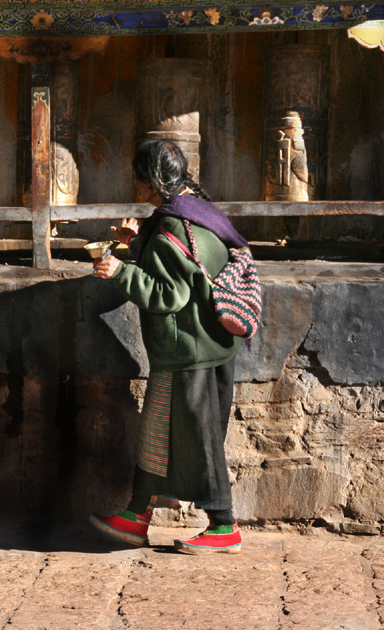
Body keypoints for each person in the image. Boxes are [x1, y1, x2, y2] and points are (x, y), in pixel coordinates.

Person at [90, 140, 249, 555]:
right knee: (157, 433)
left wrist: (119, 272)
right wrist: (135, 241)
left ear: (149, 183)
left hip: (188, 353)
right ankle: (136, 514)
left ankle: (224, 525)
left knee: (200, 439)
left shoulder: (170, 227)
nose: (138, 189)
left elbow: (169, 294)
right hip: (209, 343)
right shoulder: (198, 211)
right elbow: (187, 268)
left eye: (140, 181)